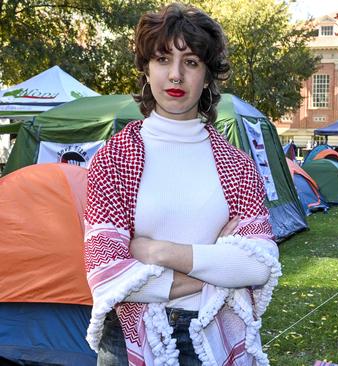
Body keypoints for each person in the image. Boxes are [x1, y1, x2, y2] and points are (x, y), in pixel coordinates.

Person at [83, 4, 280, 365]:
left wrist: (156, 251)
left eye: (190, 62)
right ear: (146, 69)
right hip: (129, 340)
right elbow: (106, 273)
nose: (175, 75)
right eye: (162, 59)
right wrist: (216, 263)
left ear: (207, 76)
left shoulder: (236, 165)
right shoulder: (113, 159)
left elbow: (260, 264)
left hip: (212, 336)